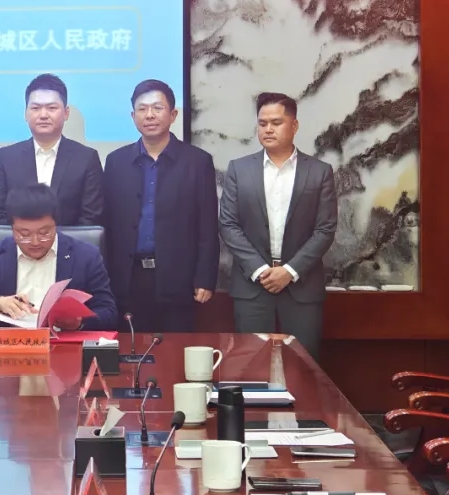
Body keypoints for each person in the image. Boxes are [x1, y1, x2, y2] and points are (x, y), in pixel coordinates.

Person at [219, 92, 337, 361]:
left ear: (294, 126)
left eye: (276, 122)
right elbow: (228, 224)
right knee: (251, 366)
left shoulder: (319, 171)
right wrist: (261, 270)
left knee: (303, 366)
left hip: (301, 289)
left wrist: (289, 271)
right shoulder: (239, 169)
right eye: (262, 123)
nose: (268, 129)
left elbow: (325, 229)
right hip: (252, 288)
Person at [102, 79, 218, 331]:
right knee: (130, 348)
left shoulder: (197, 162)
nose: (149, 115)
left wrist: (205, 278)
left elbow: (207, 226)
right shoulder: (115, 162)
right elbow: (106, 224)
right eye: (142, 109)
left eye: (157, 108)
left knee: (175, 350)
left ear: (173, 115)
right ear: (133, 116)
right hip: (128, 279)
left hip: (178, 278)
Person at [0, 184, 117, 330]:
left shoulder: (86, 256)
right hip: (6, 348)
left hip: (64, 346)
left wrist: (79, 322)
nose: (35, 242)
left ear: (56, 225)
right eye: (24, 234)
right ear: (12, 228)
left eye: (44, 233)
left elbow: (109, 312)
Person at [0, 74, 104, 229]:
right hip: (16, 244)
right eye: (35, 108)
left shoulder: (86, 159)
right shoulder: (5, 158)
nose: (43, 115)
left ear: (66, 113)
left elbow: (91, 219)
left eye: (51, 108)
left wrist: (56, 243)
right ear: (25, 113)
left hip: (70, 245)